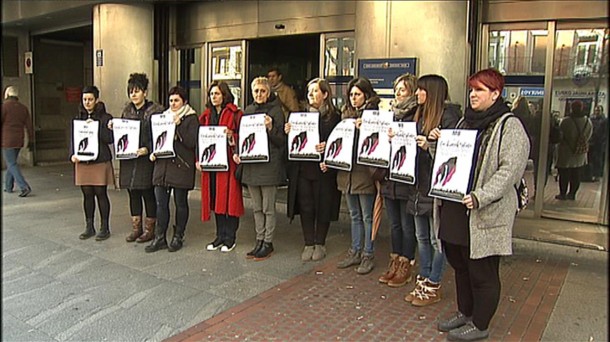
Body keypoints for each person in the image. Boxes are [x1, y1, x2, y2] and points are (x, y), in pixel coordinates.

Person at [434, 68, 529, 341]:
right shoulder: (465, 121)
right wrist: (436, 144)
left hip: (484, 211)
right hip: (457, 206)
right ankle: (465, 313)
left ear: (495, 94)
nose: (473, 95)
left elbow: (509, 172)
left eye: (479, 90)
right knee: (460, 265)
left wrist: (481, 196)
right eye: (471, 90)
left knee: (482, 271)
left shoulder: (509, 126)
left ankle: (480, 324)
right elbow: (451, 160)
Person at [404, 75, 460, 307]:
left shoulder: (449, 117)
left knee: (437, 239)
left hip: (435, 189)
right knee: (421, 237)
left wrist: (432, 146)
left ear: (433, 92)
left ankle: (433, 283)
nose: (417, 94)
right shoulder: (419, 117)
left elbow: (454, 158)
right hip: (417, 186)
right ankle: (423, 278)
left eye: (421, 90)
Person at [285, 78, 342, 262]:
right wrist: (288, 130)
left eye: (315, 91)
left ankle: (320, 243)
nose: (311, 94)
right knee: (306, 206)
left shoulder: (334, 117)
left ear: (325, 94)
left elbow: (340, 142)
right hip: (303, 168)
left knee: (322, 205)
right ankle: (308, 242)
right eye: (309, 91)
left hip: (323, 170)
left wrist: (328, 146)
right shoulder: (300, 115)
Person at [234, 77, 286, 260]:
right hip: (251, 165)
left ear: (269, 92)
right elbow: (243, 136)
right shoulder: (248, 111)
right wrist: (238, 151)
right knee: (256, 207)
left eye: (262, 91)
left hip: (269, 165)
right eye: (256, 91)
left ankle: (268, 242)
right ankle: (259, 239)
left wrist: (271, 127)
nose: (259, 94)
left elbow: (282, 141)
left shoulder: (276, 111)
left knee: (268, 207)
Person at [145, 86, 199, 253]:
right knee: (161, 203)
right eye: (171, 100)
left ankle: (178, 236)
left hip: (181, 165)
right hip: (163, 166)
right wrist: (153, 151)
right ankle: (160, 237)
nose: (173, 104)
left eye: (176, 100)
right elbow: (156, 138)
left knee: (180, 202)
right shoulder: (163, 117)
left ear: (184, 101)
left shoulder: (191, 118)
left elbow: (192, 142)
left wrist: (179, 126)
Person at [335, 76, 380, 275]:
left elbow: (376, 144)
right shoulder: (345, 114)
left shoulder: (374, 115)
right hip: (347, 172)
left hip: (364, 173)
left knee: (367, 216)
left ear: (366, 95)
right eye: (351, 94)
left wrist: (365, 129)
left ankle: (368, 254)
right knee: (354, 215)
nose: (354, 98)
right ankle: (355, 251)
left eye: (358, 94)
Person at [113, 73, 164, 243]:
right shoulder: (127, 110)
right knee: (132, 193)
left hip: (146, 159)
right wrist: (114, 126)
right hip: (129, 159)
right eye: (131, 92)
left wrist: (148, 148)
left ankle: (150, 230)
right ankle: (136, 228)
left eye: (137, 91)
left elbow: (161, 135)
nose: (134, 95)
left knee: (147, 193)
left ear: (145, 92)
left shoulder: (155, 111)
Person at [378, 73, 418, 287]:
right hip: (389, 179)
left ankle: (406, 263)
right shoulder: (389, 115)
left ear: (411, 91)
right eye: (396, 90)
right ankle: (394, 260)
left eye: (402, 90)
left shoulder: (416, 116)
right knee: (394, 224)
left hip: (405, 179)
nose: (398, 94)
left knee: (406, 224)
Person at [198, 81, 245, 252]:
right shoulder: (206, 116)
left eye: (217, 94)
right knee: (215, 198)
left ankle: (230, 237)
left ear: (224, 95)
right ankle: (219, 236)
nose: (214, 97)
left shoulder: (236, 114)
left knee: (229, 200)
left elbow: (244, 136)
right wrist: (199, 159)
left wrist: (232, 136)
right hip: (212, 164)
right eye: (211, 94)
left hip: (229, 163)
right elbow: (200, 139)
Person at [70, 86, 114, 240]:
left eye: (90, 99)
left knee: (100, 193)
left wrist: (95, 127)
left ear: (96, 100)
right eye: (84, 99)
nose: (87, 102)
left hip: (99, 160)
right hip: (83, 160)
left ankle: (105, 227)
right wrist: (72, 154)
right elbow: (73, 138)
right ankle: (89, 226)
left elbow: (110, 138)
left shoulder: (106, 117)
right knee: (87, 194)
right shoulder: (78, 117)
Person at [555, 100, 592, 200]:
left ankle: (562, 194)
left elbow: (560, 135)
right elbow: (588, 136)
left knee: (564, 174)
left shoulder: (566, 121)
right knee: (576, 175)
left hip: (566, 152)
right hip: (580, 153)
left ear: (571, 108)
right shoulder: (588, 121)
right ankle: (572, 194)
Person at [2, 86, 34, 197]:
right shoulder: (23, 108)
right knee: (12, 162)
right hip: (19, 140)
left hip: (7, 140)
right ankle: (8, 186)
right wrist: (31, 140)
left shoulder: (4, 107)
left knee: (11, 163)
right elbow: (29, 126)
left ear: (6, 95)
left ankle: (24, 186)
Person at [587, 105, 607, 182]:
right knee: (590, 158)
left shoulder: (604, 120)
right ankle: (590, 174)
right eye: (596, 110)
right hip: (591, 142)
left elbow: (604, 132)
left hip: (599, 143)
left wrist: (603, 142)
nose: (597, 112)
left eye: (598, 110)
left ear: (602, 111)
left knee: (597, 159)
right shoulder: (591, 119)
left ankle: (597, 175)